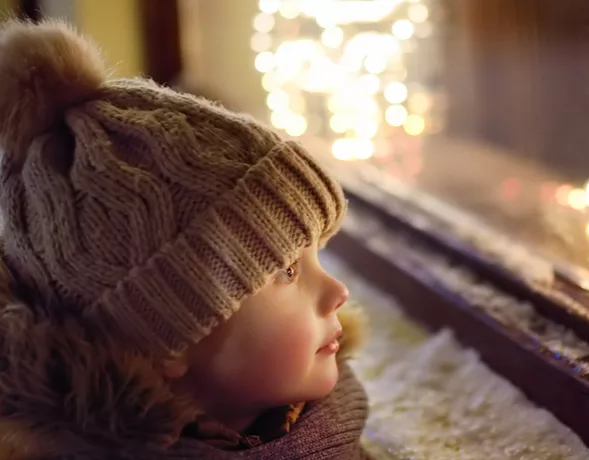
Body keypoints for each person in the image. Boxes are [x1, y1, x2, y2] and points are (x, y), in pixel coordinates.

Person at [0, 19, 369, 459]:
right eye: (287, 270)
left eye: (316, 256)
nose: (338, 292)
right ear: (164, 341)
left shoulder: (330, 416)